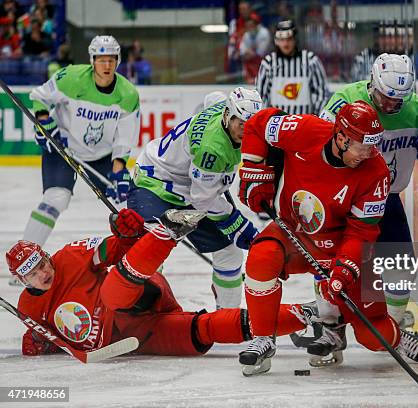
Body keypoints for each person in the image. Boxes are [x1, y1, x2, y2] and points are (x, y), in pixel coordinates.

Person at [236, 101, 418, 374]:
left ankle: (398, 339)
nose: (368, 153)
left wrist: (344, 270)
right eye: (362, 146)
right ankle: (262, 340)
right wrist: (255, 170)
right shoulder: (305, 130)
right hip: (296, 232)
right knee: (261, 256)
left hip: (342, 247)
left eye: (372, 146)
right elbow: (258, 124)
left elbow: (361, 232)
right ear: (340, 137)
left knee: (371, 334)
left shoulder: (376, 173)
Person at [6, 208, 308, 359]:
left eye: (42, 264)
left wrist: (125, 234)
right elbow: (57, 336)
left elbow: (117, 249)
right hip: (139, 336)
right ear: (21, 281)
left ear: (47, 255)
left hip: (140, 294)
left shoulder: (70, 255)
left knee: (112, 295)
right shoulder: (28, 307)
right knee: (204, 330)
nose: (43, 273)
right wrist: (42, 344)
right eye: (32, 274)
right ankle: (309, 314)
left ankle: (166, 232)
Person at [318, 53, 418, 346]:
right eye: (384, 97)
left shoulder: (413, 108)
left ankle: (392, 325)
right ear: (372, 83)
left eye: (396, 101)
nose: (388, 105)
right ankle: (330, 327)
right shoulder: (345, 99)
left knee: (401, 265)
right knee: (328, 264)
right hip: (343, 199)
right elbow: (319, 143)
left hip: (385, 198)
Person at [13, 36, 140, 287]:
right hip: (63, 148)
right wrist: (43, 121)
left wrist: (118, 168)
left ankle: (141, 261)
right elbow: (40, 96)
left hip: (102, 156)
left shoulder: (127, 94)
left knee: (127, 202)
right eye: (101, 59)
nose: (106, 65)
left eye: (111, 59)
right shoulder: (70, 78)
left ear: (118, 61)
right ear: (92, 60)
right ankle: (26, 265)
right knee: (55, 198)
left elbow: (125, 135)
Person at [128, 87, 261, 310]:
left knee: (230, 252)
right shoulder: (212, 149)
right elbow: (203, 200)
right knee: (151, 248)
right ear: (228, 115)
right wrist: (241, 226)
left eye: (251, 125)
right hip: (155, 181)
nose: (246, 131)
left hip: (191, 185)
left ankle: (226, 318)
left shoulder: (223, 107)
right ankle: (140, 313)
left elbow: (213, 97)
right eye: (241, 124)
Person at [256, 19, 328, 115]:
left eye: (289, 39)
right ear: (276, 41)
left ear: (295, 39)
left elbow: (321, 93)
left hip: (305, 123)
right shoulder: (268, 63)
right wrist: (266, 119)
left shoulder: (310, 60)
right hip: (276, 125)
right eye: (282, 40)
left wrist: (316, 118)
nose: (285, 44)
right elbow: (260, 96)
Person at [239, 15, 271, 84]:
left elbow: (261, 52)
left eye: (251, 26)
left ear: (256, 25)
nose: (249, 28)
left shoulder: (264, 33)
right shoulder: (246, 35)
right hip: (250, 64)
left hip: (264, 63)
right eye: (247, 26)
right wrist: (249, 52)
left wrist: (249, 52)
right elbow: (242, 52)